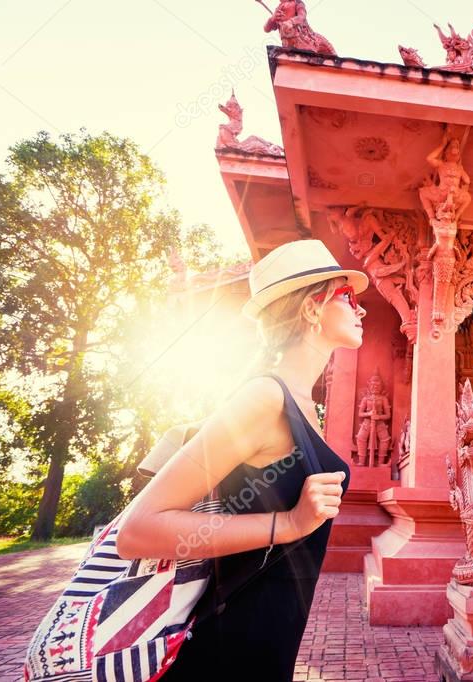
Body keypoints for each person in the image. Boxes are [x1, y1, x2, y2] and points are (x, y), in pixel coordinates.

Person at [117, 239, 369, 680]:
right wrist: (289, 525)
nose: (360, 309)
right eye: (347, 296)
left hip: (270, 640)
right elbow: (137, 531)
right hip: (229, 642)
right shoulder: (264, 397)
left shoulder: (302, 405)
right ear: (312, 309)